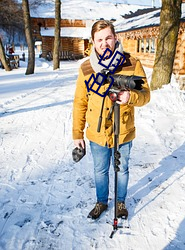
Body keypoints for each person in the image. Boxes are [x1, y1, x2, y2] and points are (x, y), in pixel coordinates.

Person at [72, 20, 150, 220]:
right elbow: (80, 102)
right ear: (93, 42)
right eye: (99, 39)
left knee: (122, 168)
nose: (104, 43)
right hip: (97, 132)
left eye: (108, 38)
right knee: (100, 170)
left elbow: (146, 95)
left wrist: (130, 97)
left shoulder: (132, 63)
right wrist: (77, 134)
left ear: (115, 38)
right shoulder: (87, 68)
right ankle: (101, 202)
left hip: (123, 129)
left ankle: (121, 202)